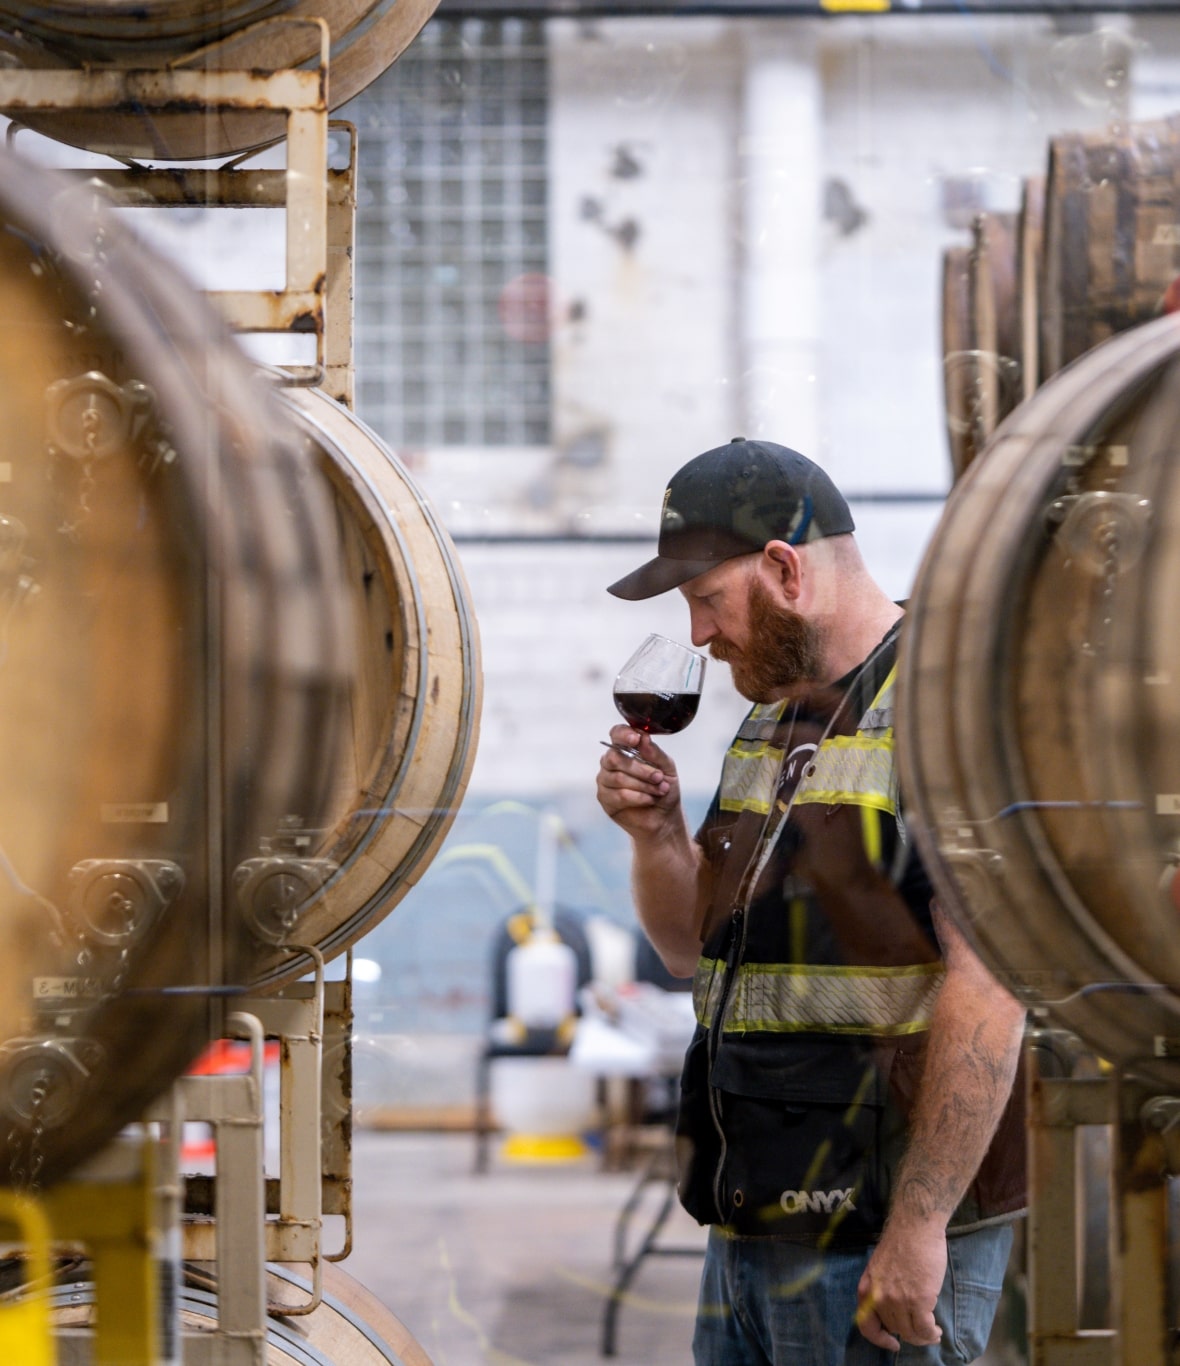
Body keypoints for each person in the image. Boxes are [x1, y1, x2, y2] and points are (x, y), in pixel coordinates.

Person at [596, 437, 1027, 1366]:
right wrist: (660, 836)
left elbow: (991, 991)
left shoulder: (945, 712)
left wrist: (918, 1232)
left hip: (879, 1240)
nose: (701, 635)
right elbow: (688, 953)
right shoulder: (772, 715)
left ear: (786, 570)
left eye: (708, 600)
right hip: (754, 1219)